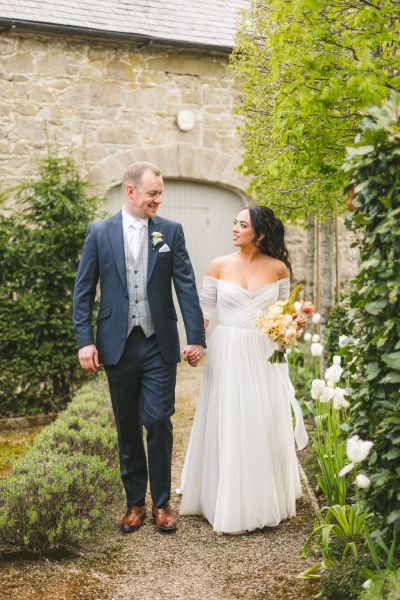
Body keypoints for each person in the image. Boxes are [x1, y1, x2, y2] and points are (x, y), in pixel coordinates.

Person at [73, 161, 205, 533]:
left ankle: (161, 503)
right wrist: (85, 341)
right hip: (117, 345)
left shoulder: (170, 232)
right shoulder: (99, 232)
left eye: (160, 193)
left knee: (158, 419)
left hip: (157, 342)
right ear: (130, 191)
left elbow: (185, 285)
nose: (158, 200)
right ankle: (135, 503)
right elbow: (83, 292)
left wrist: (194, 336)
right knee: (128, 425)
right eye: (153, 193)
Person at [178, 205, 308, 534]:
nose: (234, 228)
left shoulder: (278, 269)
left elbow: (284, 311)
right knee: (226, 418)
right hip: (228, 348)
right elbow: (204, 311)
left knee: (260, 419)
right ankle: (223, 498)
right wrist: (196, 343)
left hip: (263, 351)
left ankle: (262, 497)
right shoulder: (218, 266)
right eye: (234, 222)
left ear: (260, 234)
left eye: (242, 224)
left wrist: (294, 325)